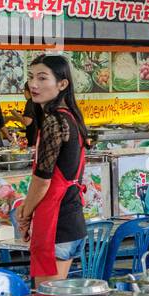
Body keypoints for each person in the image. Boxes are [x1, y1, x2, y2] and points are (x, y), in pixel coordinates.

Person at [14, 55, 90, 283]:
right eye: (30, 77)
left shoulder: (54, 121)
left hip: (56, 223)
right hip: (73, 221)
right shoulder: (72, 118)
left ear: (62, 84)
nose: (33, 84)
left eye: (42, 78)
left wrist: (25, 214)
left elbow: (42, 179)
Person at [19, 84, 40, 148]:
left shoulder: (30, 102)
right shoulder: (39, 101)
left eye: (24, 90)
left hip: (32, 140)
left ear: (28, 91)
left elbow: (27, 122)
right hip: (38, 139)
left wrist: (15, 114)